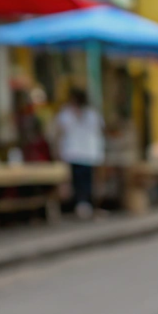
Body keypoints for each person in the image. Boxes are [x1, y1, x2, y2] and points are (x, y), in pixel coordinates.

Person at [53, 88, 103, 220]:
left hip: (79, 153)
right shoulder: (89, 114)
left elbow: (58, 133)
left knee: (81, 180)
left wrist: (57, 149)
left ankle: (82, 206)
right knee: (81, 181)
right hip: (82, 153)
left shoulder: (71, 114)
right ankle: (82, 206)